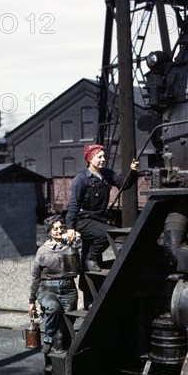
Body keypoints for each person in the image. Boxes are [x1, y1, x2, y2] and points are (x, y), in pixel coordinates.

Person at [65, 144, 139, 272]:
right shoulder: (81, 179)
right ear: (89, 159)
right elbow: (74, 204)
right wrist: (70, 227)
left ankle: (87, 281)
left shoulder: (107, 174)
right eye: (99, 157)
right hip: (83, 220)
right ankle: (91, 258)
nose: (103, 159)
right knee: (109, 233)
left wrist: (133, 172)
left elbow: (124, 185)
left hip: (99, 219)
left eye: (103, 156)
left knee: (89, 255)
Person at [28, 214, 81, 355]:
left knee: (67, 320)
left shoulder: (69, 245)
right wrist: (31, 301)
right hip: (47, 288)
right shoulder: (43, 251)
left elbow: (77, 264)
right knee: (54, 309)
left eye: (61, 228)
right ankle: (48, 338)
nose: (59, 231)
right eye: (55, 229)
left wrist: (77, 243)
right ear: (49, 232)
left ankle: (66, 348)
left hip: (68, 287)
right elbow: (35, 277)